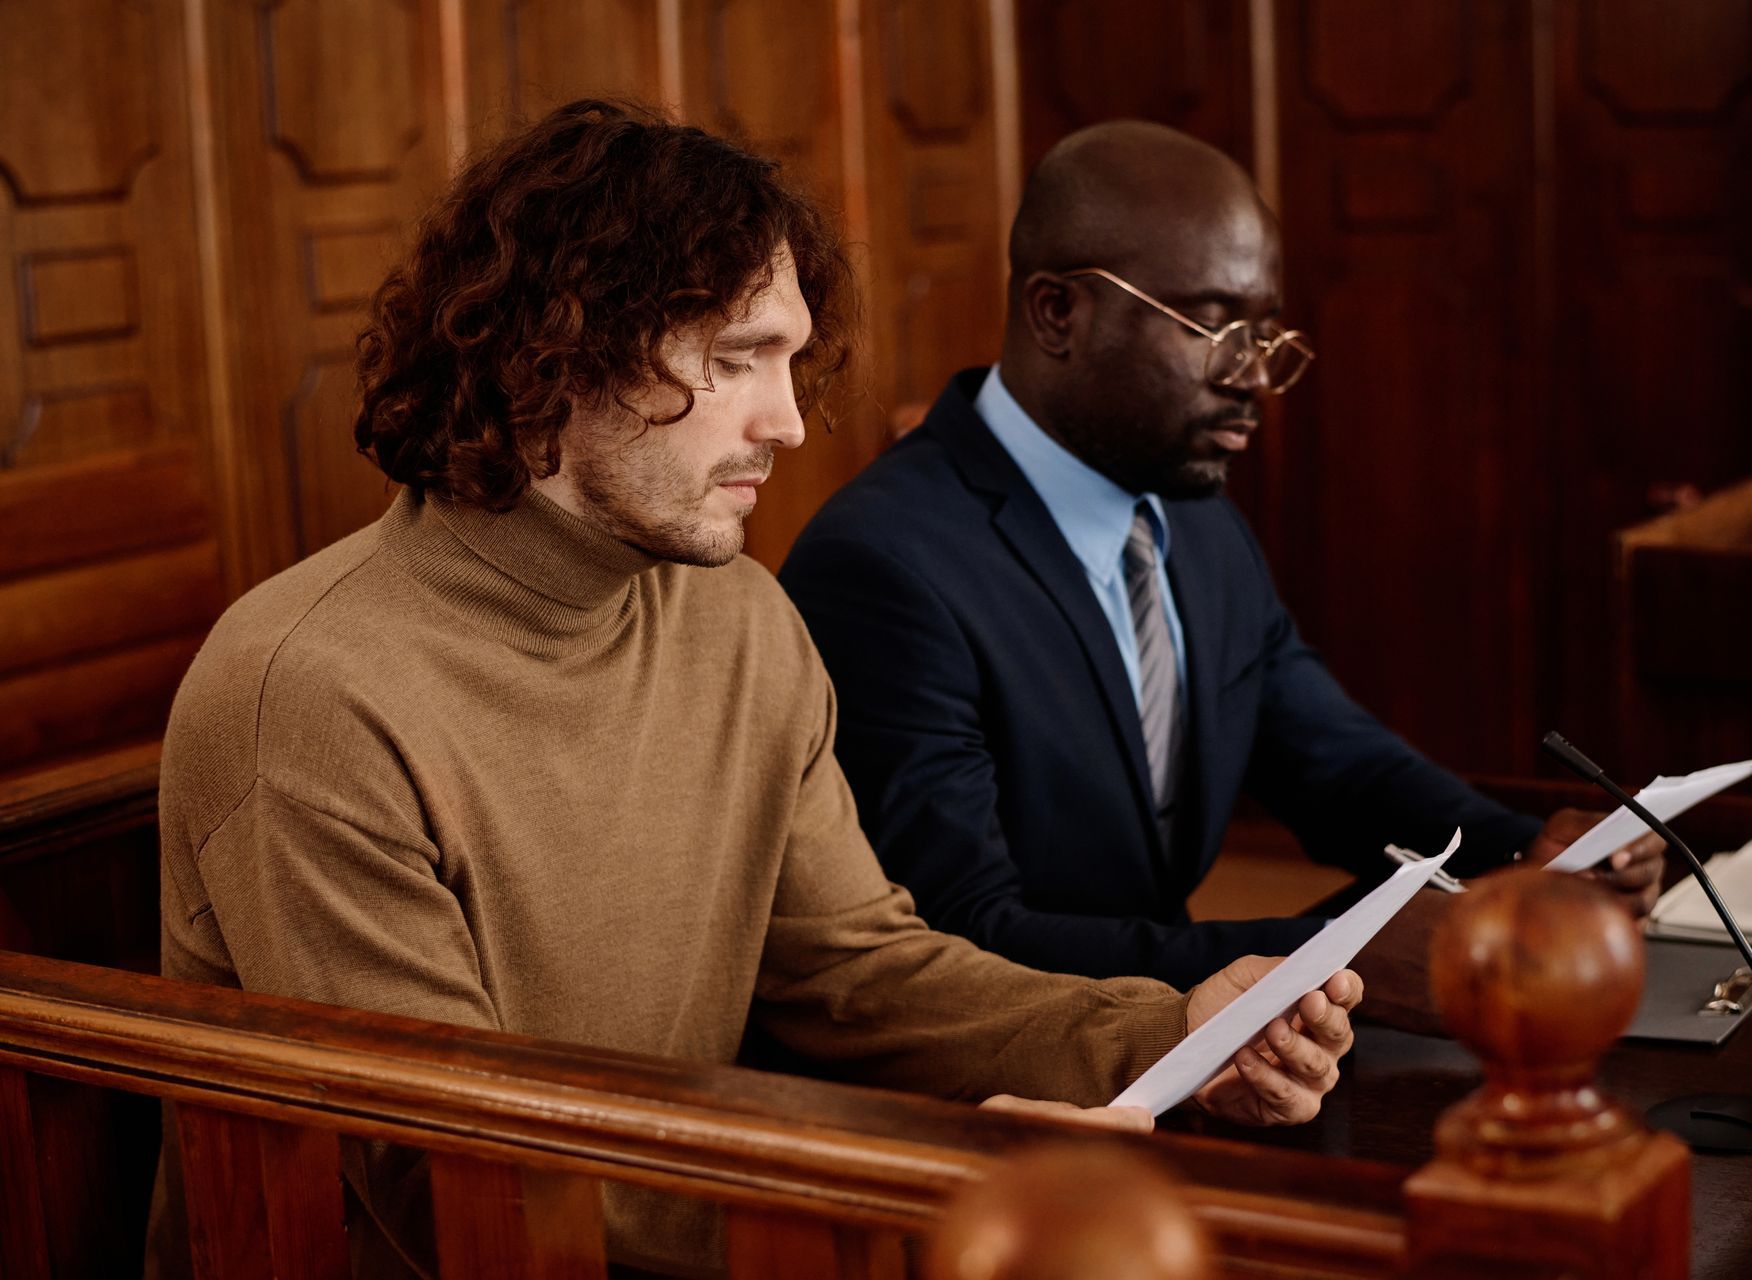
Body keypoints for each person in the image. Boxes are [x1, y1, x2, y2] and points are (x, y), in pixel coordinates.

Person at [151, 103, 1360, 1277]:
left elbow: (860, 974)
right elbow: (461, 1180)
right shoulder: (308, 692)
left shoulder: (739, 616)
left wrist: (1177, 1027)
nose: (787, 421)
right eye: (736, 361)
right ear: (551, 357)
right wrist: (904, 1186)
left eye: (788, 359)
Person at [779, 121, 1661, 1018]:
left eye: (1266, 333)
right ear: (1058, 314)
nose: (1253, 376)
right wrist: (1314, 956)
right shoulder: (883, 569)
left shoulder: (1194, 518)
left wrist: (1528, 858)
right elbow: (963, 939)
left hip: (1177, 1044)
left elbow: (1332, 765)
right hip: (1012, 1085)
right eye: (1211, 327)